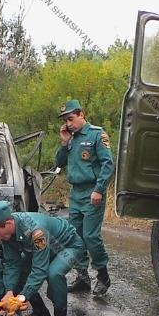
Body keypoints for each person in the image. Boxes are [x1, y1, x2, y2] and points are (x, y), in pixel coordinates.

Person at [0, 200, 84, 316]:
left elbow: (39, 270)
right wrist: (9, 291)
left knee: (54, 274)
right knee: (19, 275)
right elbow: (12, 264)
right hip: (44, 250)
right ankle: (40, 313)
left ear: (8, 224)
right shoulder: (6, 233)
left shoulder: (36, 232)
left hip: (68, 247)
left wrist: (22, 297)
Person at [54, 99, 115, 296]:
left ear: (81, 114)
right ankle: (82, 276)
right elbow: (59, 162)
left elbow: (108, 164)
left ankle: (103, 275)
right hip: (76, 193)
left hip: (92, 192)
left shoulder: (97, 134)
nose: (68, 124)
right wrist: (64, 143)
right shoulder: (70, 138)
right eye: (66, 121)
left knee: (90, 236)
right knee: (75, 236)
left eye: (71, 119)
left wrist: (99, 189)